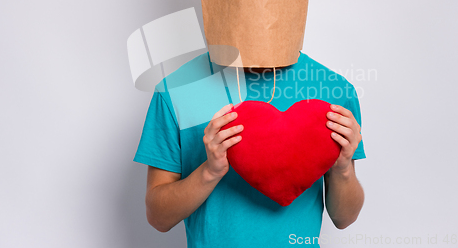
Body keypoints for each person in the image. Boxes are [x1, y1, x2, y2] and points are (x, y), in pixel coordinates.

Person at [133, 50, 365, 247]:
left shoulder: (335, 91)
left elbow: (344, 218)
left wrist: (343, 169)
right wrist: (210, 172)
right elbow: (158, 218)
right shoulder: (176, 89)